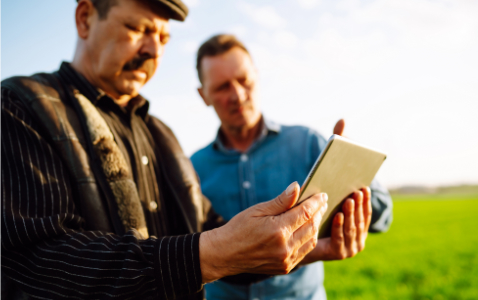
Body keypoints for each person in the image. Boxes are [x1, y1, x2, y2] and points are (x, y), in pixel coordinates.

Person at [0, 1, 377, 300]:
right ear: (85, 18)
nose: (152, 49)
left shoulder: (161, 133)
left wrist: (307, 246)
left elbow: (215, 235)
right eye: (137, 29)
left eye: (163, 38)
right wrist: (204, 255)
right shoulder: (21, 105)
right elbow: (37, 257)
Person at [191, 34, 393, 300]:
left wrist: (352, 169)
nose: (237, 94)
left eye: (244, 81)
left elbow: (383, 213)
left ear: (257, 76)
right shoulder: (191, 169)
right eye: (222, 87)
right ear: (203, 95)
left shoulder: (308, 143)